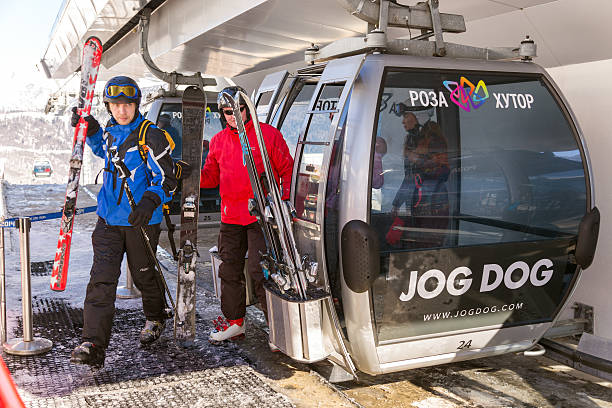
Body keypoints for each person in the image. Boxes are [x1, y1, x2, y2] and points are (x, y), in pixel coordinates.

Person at [69, 76, 178, 368]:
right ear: (109, 106)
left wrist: (150, 200)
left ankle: (155, 317)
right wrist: (91, 132)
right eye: (116, 105)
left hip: (141, 219)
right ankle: (93, 343)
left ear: (136, 104)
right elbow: (105, 154)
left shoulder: (150, 135)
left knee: (143, 275)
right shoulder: (110, 131)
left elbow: (167, 178)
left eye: (127, 104)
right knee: (101, 279)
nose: (122, 111)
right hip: (108, 220)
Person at [200, 86, 293, 343]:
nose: (232, 117)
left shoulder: (267, 136)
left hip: (261, 216)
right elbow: (210, 177)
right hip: (231, 216)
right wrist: (187, 175)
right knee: (228, 269)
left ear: (247, 109)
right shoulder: (219, 141)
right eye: (227, 112)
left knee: (260, 270)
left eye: (237, 111)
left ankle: (277, 327)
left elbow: (288, 170)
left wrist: (281, 202)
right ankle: (234, 322)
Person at [391, 111, 422, 218]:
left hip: (420, 198)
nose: (403, 122)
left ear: (417, 118)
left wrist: (396, 204)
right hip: (418, 196)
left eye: (407, 117)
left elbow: (411, 178)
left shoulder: (417, 139)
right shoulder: (412, 137)